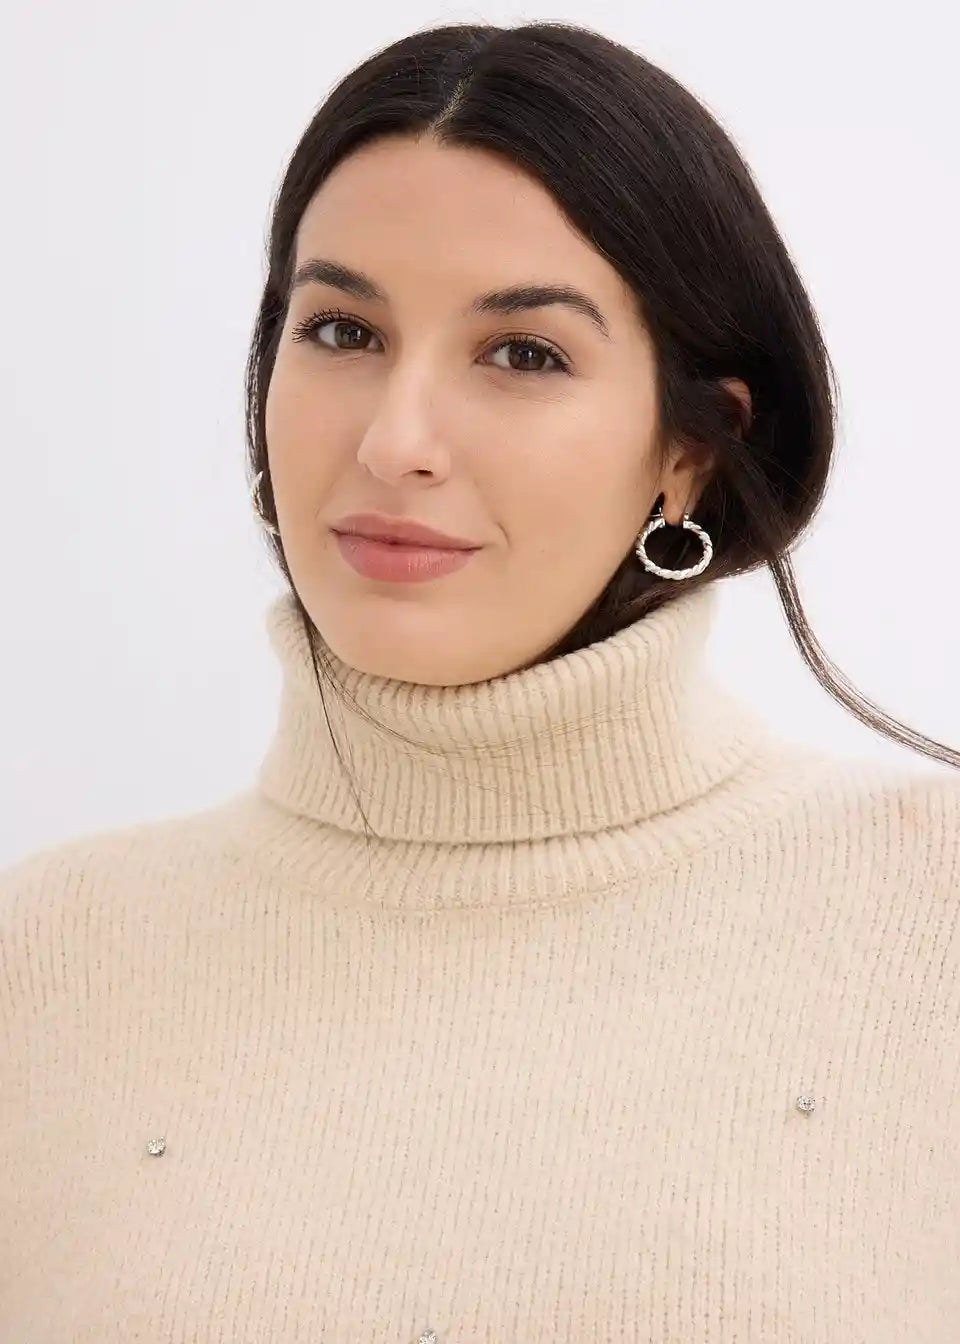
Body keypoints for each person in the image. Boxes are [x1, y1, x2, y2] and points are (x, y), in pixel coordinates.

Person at [1, 19, 958, 1343]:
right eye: (342, 330)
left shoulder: (930, 910)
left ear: (689, 448)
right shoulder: (44, 957)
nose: (395, 441)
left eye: (523, 354)